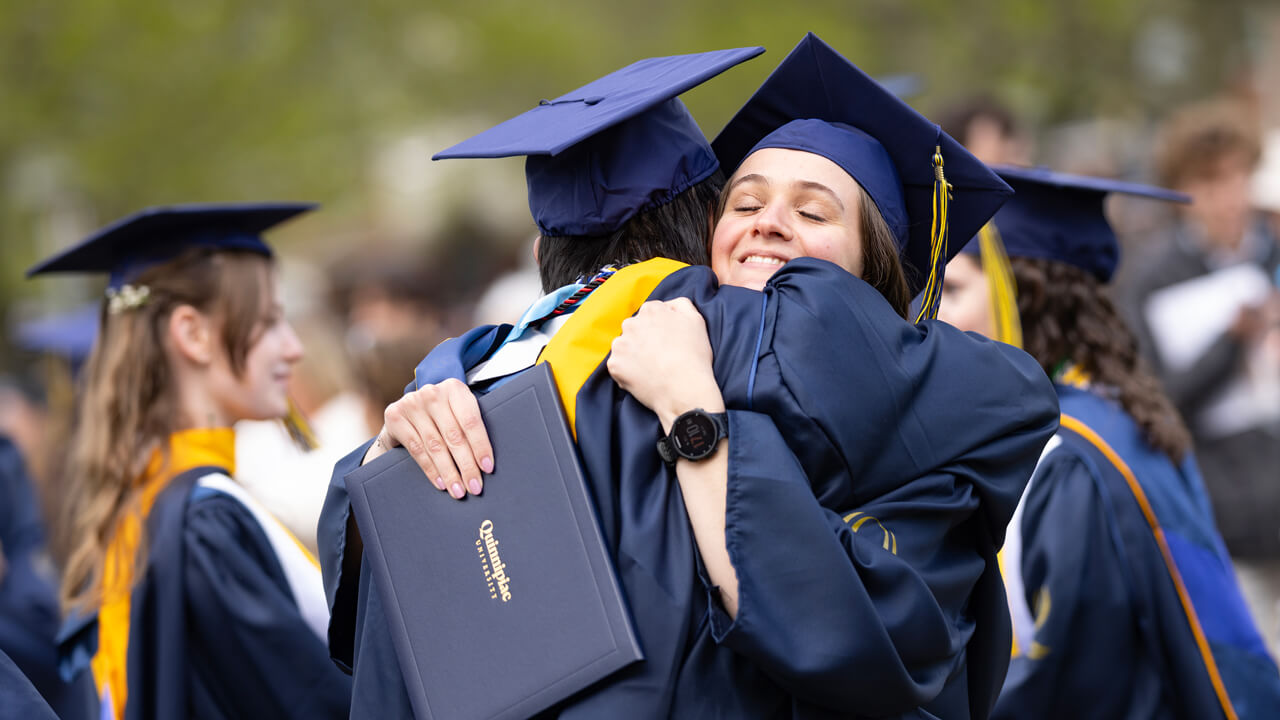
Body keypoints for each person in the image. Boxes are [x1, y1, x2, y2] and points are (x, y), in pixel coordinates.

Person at [323, 35, 1059, 718]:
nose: (769, 221)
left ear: (877, 270)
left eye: (812, 210)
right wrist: (393, 461)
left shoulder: (931, 430)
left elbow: (856, 640)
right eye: (744, 202)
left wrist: (695, 417)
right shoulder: (537, 359)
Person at [937, 165, 1280, 718]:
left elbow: (1066, 677)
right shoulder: (1111, 411)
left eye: (953, 289)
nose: (934, 314)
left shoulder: (1069, 457)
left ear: (1022, 295)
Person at [28, 204, 352, 720]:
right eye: (269, 322)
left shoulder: (136, 504)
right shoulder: (206, 520)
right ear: (193, 334)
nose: (293, 348)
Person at [1124, 100, 1280, 657]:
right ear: (1181, 190)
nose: (1230, 195)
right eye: (1211, 181)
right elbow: (1156, 402)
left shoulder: (1271, 253)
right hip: (1225, 520)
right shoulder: (1151, 280)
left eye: (1240, 176)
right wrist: (1232, 340)